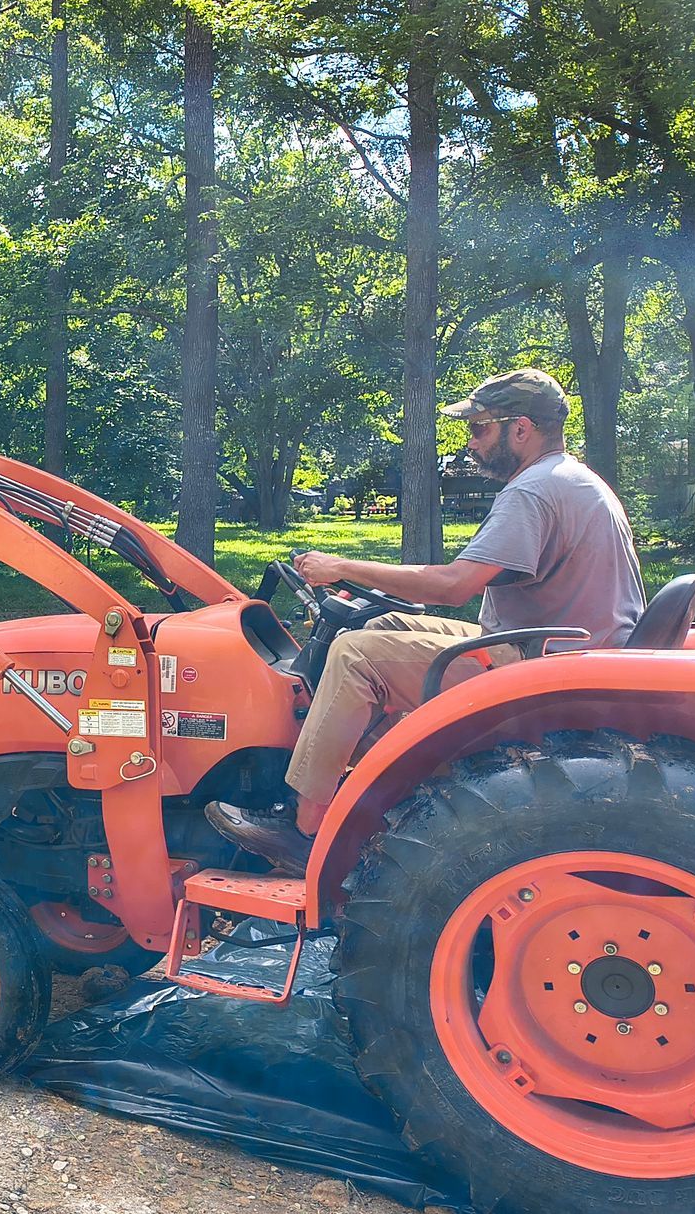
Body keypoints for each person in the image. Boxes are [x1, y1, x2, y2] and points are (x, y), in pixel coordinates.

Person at [205, 367, 645, 876]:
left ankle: (304, 829)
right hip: (564, 646)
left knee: (353, 655)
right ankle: (388, 793)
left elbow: (455, 586)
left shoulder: (533, 492)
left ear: (521, 429)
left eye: (479, 429)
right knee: (381, 629)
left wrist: (341, 567)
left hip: (541, 661)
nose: (471, 443)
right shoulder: (572, 478)